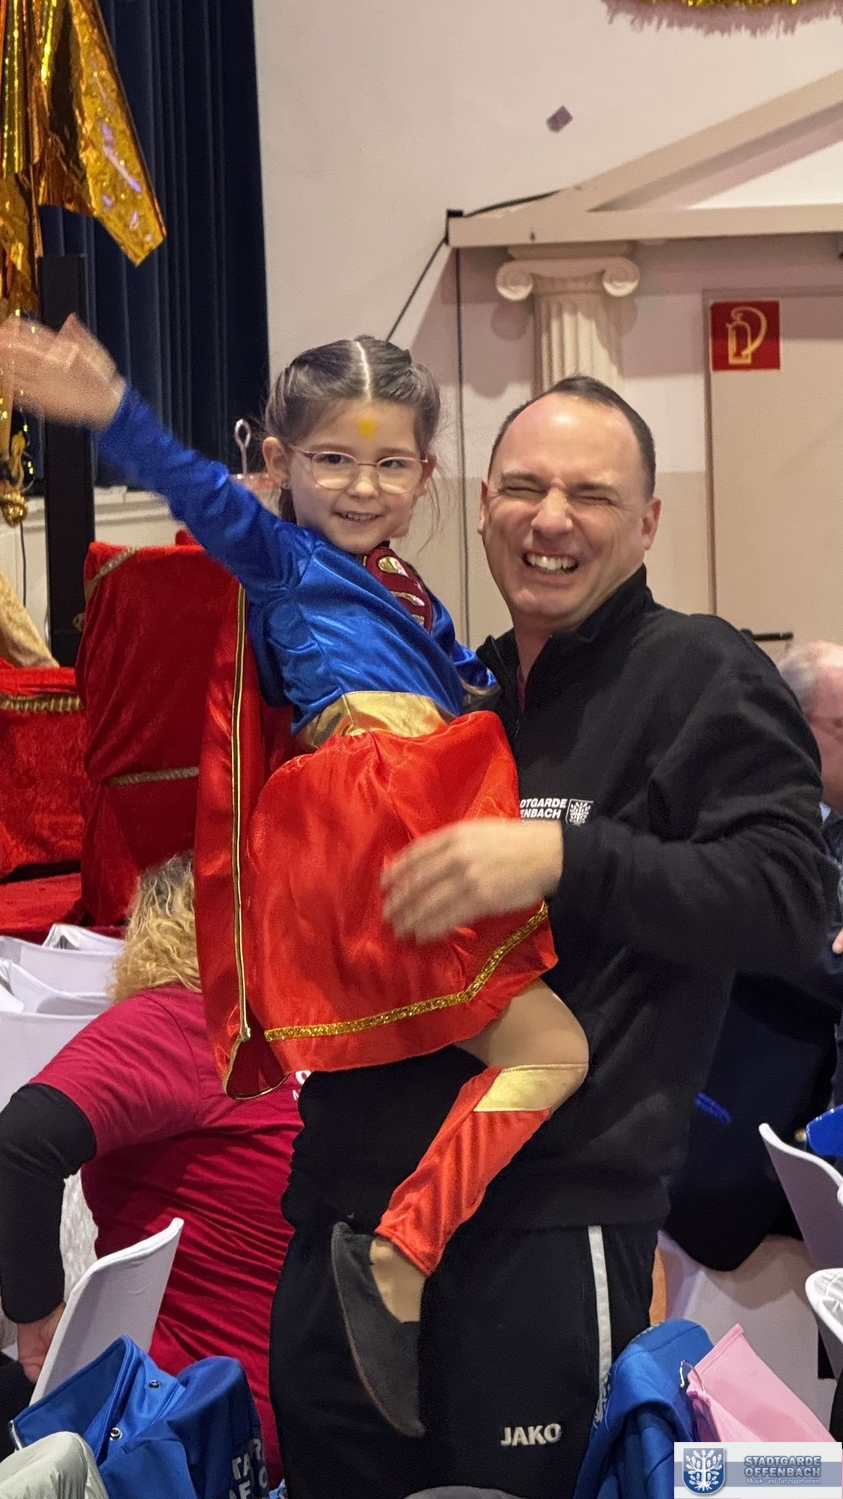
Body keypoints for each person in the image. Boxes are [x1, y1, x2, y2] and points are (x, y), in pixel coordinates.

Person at [0, 316, 588, 1436]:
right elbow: (197, 491)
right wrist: (114, 412)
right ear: (277, 461)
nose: (362, 486)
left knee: (536, 1049)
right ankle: (401, 1250)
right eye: (331, 459)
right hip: (383, 828)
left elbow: (454, 677)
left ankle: (407, 1250)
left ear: (426, 473)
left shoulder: (399, 581)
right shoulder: (281, 554)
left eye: (389, 463)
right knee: (551, 1051)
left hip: (432, 805)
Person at [267, 377, 835, 1499]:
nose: (552, 517)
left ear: (648, 520)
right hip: (338, 1220)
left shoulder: (699, 674)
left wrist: (567, 856)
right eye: (524, 487)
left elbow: (789, 896)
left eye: (591, 494)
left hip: (541, 1238)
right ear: (482, 506)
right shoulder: (451, 687)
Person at [0, 854, 299, 1485]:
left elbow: (21, 1141)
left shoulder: (186, 1024)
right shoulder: (298, 1041)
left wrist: (36, 1318)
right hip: (275, 1415)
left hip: (177, 1422)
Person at [666, 640, 843, 1269]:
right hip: (720, 1142)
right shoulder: (730, 810)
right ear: (795, 721)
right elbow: (775, 939)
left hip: (810, 1151)